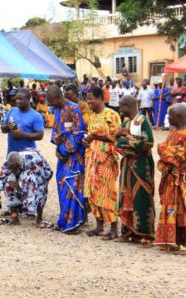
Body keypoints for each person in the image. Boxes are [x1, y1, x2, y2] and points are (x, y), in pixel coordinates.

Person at [156, 104, 186, 254]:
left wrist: (166, 151)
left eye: (170, 115)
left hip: (185, 177)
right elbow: (163, 150)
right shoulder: (173, 132)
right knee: (171, 207)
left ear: (179, 117)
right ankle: (174, 240)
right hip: (171, 176)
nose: (168, 118)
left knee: (185, 208)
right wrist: (169, 151)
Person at [116, 95, 156, 244]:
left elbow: (148, 142)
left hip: (140, 165)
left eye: (122, 107)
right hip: (127, 165)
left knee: (140, 196)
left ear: (129, 106)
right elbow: (118, 141)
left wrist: (128, 142)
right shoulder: (126, 122)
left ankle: (144, 234)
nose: (120, 110)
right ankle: (128, 231)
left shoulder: (142, 121)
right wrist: (125, 140)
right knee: (126, 195)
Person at [47, 86, 87, 233]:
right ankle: (64, 220)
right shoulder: (57, 110)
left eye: (52, 101)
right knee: (62, 185)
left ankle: (74, 223)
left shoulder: (74, 108)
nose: (50, 105)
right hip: (62, 156)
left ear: (58, 97)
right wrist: (57, 144)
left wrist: (64, 149)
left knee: (73, 186)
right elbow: (55, 130)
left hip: (74, 156)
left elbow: (79, 132)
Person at [83, 87, 121, 240]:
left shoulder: (112, 115)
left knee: (107, 191)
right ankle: (99, 226)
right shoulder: (92, 116)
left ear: (100, 98)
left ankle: (113, 228)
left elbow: (117, 138)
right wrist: (87, 141)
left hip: (106, 159)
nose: (89, 101)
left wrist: (95, 137)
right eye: (87, 98)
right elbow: (91, 136)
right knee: (93, 191)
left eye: (91, 98)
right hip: (92, 158)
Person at [0, 149, 53, 225]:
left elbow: (42, 185)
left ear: (20, 164)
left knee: (31, 180)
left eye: (15, 168)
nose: (13, 170)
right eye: (12, 168)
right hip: (24, 172)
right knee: (9, 183)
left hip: (42, 172)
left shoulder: (32, 162)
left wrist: (20, 186)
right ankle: (15, 218)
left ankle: (38, 218)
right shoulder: (6, 166)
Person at [1, 88, 44, 155]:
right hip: (12, 154)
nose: (17, 101)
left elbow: (40, 135)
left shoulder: (36, 116)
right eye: (16, 99)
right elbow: (3, 130)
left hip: (28, 155)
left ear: (28, 99)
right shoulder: (12, 111)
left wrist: (22, 134)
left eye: (20, 99)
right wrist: (8, 126)